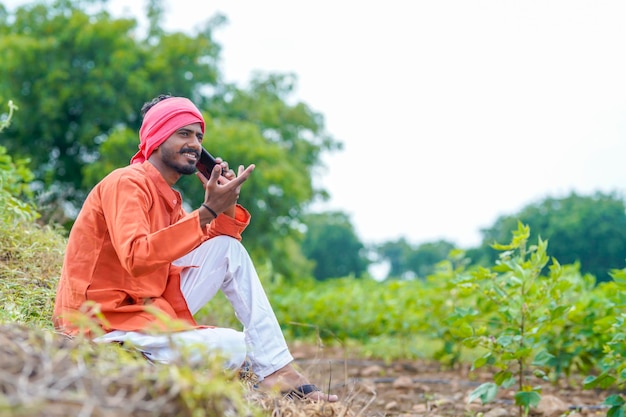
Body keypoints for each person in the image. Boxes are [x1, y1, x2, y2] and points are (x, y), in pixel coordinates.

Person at [52, 94, 338, 402]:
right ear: (157, 138)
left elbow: (221, 246)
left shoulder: (169, 199)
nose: (195, 144)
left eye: (199, 136)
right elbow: (136, 256)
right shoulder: (127, 183)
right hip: (102, 325)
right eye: (183, 133)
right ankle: (131, 357)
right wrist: (206, 212)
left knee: (228, 250)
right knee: (237, 346)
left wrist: (226, 203)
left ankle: (279, 373)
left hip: (144, 312)